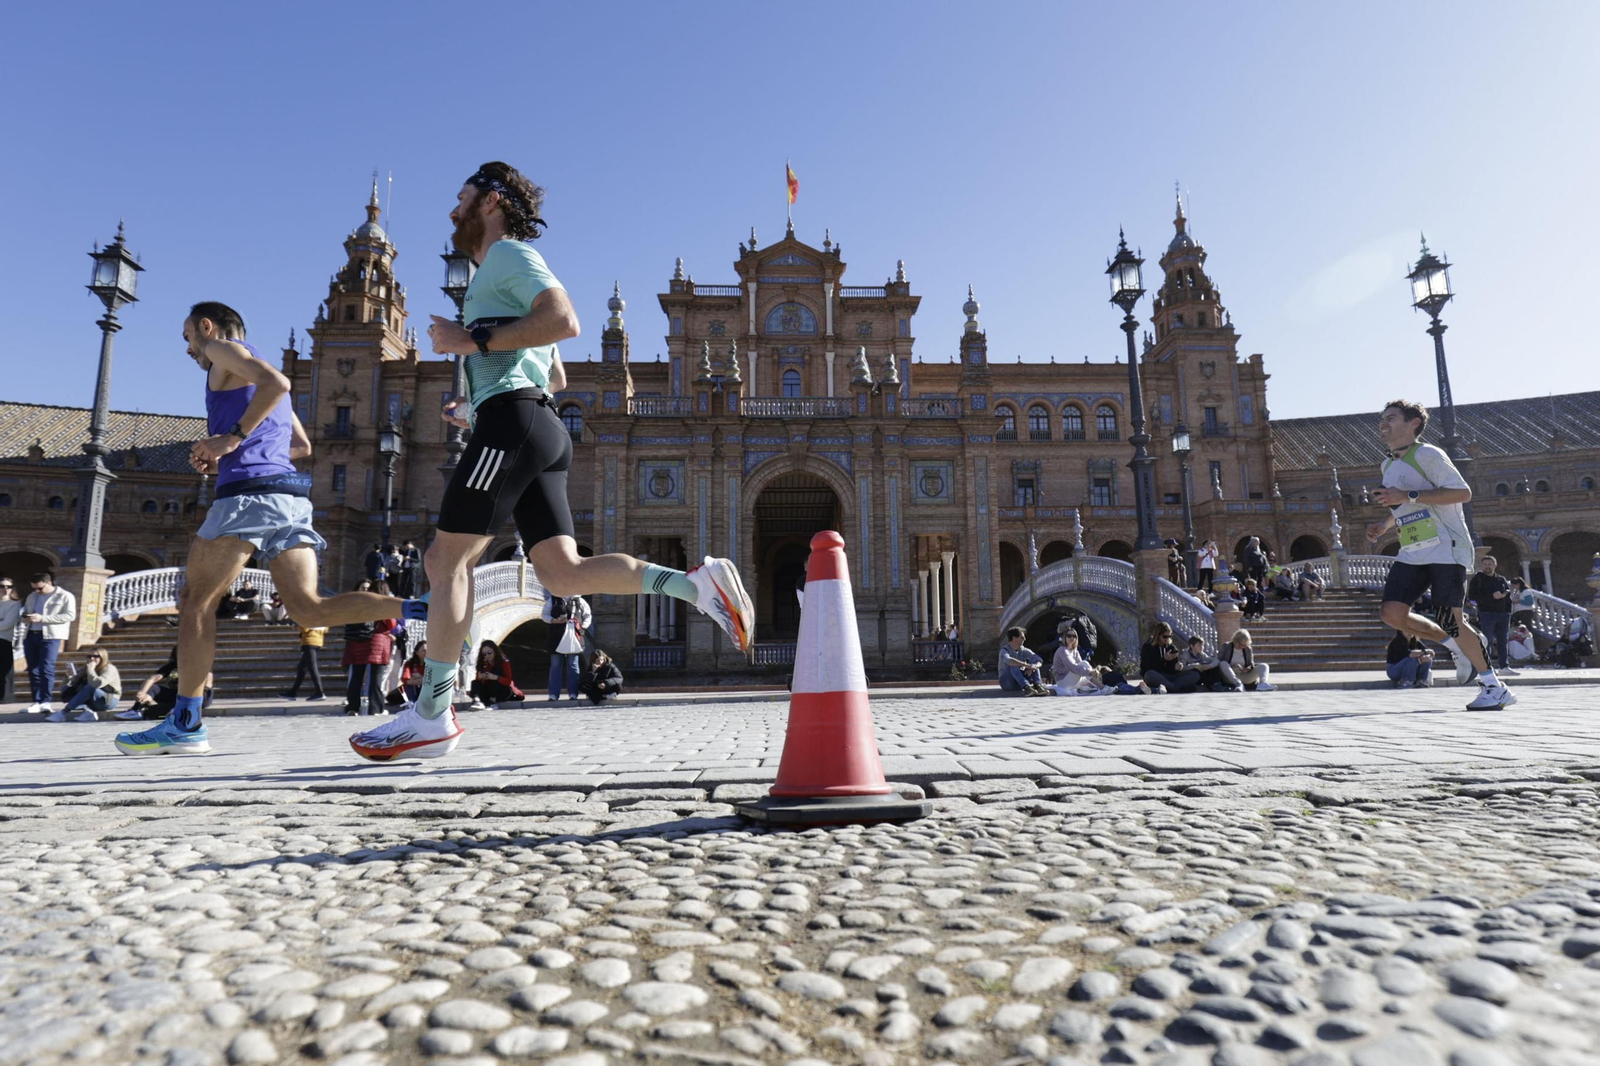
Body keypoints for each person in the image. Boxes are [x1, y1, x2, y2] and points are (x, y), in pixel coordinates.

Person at [351, 162, 754, 760]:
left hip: (515, 422)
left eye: (461, 198)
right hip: (534, 422)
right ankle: (694, 585)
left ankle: (432, 712)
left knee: (444, 560)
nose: (453, 210)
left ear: (491, 201)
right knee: (563, 574)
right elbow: (556, 373)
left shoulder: (507, 255)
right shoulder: (499, 272)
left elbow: (565, 321)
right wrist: (478, 401)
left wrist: (471, 342)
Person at [113, 301, 424, 756]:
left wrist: (231, 439)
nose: (188, 349)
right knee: (309, 609)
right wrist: (229, 450)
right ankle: (423, 608)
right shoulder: (256, 368)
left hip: (247, 495)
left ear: (206, 327)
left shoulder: (222, 350)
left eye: (187, 337)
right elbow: (301, 445)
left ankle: (185, 724)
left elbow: (278, 384)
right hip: (290, 497)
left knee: (196, 602)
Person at [1366, 398, 1513, 711]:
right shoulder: (1387, 465)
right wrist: (1384, 524)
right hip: (1413, 549)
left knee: (1451, 619)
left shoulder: (1428, 454)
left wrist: (1407, 494)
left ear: (1413, 423)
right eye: (1382, 418)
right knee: (1392, 613)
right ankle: (1455, 647)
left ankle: (1494, 686)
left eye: (1391, 418)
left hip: (1446, 546)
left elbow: (1462, 493)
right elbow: (1403, 505)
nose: (1383, 423)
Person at [21, 571, 76, 716]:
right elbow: (25, 612)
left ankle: (46, 701)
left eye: (40, 588)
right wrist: (25, 618)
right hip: (31, 634)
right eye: (34, 588)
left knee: (46, 668)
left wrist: (43, 618)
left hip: (51, 636)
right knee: (33, 670)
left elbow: (70, 615)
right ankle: (37, 701)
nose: (37, 591)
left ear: (49, 582)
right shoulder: (32, 596)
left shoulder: (65, 596)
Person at [341, 582, 395, 717]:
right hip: (377, 642)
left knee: (356, 677)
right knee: (376, 678)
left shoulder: (358, 603)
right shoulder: (383, 603)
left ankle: (352, 708)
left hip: (358, 641)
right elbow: (391, 624)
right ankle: (375, 709)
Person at [117, 648, 213, 721]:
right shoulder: (172, 666)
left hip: (198, 695)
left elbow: (208, 682)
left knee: (154, 711)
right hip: (177, 696)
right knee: (153, 689)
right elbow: (152, 678)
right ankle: (136, 710)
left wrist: (195, 696)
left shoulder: (200, 665)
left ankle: (177, 709)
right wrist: (143, 692)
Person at [1467, 555, 1514, 675]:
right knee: (1487, 640)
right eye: (1484, 564)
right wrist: (1491, 597)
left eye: (1489, 564)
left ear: (1495, 565)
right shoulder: (1478, 579)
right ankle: (1487, 667)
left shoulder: (1501, 579)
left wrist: (1508, 610)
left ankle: (1504, 666)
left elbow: (1508, 594)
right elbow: (1472, 597)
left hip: (1503, 614)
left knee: (1503, 640)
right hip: (1486, 613)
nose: (1487, 567)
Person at [49, 647, 122, 722]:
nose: (92, 659)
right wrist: (68, 678)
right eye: (89, 656)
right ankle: (89, 713)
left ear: (103, 658)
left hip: (108, 700)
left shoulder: (109, 668)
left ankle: (64, 713)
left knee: (89, 687)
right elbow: (63, 688)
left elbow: (97, 684)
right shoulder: (85, 668)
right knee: (68, 690)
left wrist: (91, 670)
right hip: (92, 700)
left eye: (96, 656)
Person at [541, 594, 590, 702]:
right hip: (556, 638)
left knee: (573, 665)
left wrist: (582, 626)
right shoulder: (553, 600)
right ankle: (553, 694)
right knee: (555, 666)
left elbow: (587, 616)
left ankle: (573, 693)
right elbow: (544, 615)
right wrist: (554, 620)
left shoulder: (579, 601)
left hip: (574, 638)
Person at [1141, 621, 1202, 693]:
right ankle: (1176, 688)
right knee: (1149, 674)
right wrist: (1164, 659)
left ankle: (1171, 687)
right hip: (1158, 676)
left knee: (1195, 674)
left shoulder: (1171, 648)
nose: (1167, 639)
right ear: (1158, 635)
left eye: (1169, 636)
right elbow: (1147, 668)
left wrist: (1177, 667)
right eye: (1164, 636)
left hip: (1170, 677)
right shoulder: (1148, 647)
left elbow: (1172, 671)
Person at [278, 622, 329, 702]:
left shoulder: (310, 617)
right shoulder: (322, 618)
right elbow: (326, 629)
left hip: (309, 642)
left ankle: (320, 692)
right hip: (318, 641)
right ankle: (292, 692)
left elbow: (305, 628)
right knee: (301, 668)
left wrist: (296, 626)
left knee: (312, 668)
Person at [466, 640, 522, 709]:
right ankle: (476, 701)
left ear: (495, 651)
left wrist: (496, 677)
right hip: (488, 690)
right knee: (475, 683)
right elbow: (478, 682)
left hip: (502, 691)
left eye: (489, 652)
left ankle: (492, 702)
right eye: (484, 654)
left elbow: (508, 681)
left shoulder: (504, 662)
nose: (487, 656)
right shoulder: (483, 663)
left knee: (495, 679)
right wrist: (480, 677)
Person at [997, 627, 1048, 695]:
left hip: (1019, 683)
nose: (1024, 639)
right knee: (1013, 664)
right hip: (1007, 683)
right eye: (1022, 637)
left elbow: (1039, 659)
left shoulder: (1024, 650)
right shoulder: (1004, 651)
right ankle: (1027, 687)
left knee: (1034, 663)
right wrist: (1026, 665)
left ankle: (1038, 686)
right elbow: (1009, 660)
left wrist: (1033, 667)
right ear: (1014, 638)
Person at [0, 576, 20, 703]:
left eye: (9, 586)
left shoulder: (14, 604)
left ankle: (4, 699)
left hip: (4, 641)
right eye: (2, 586)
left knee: (4, 673)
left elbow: (7, 624)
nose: (5, 589)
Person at [394, 639, 429, 705]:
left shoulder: (431, 665)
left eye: (428, 651)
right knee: (410, 687)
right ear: (417, 652)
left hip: (426, 689)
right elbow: (405, 679)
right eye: (423, 651)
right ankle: (412, 704)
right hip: (413, 688)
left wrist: (421, 678)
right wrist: (421, 680)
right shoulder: (410, 664)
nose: (426, 653)